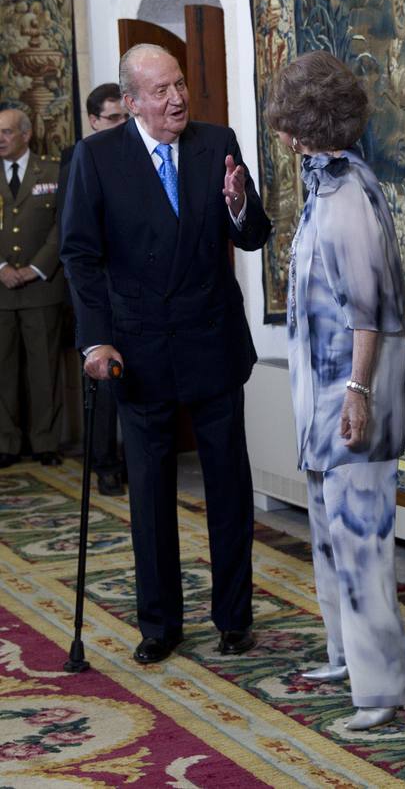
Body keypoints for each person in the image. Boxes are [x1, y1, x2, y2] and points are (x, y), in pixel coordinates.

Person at [60, 44, 272, 665]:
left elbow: (253, 235)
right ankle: (160, 624)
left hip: (211, 341)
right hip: (139, 349)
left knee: (229, 488)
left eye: (179, 83)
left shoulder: (217, 142)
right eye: (161, 91)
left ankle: (234, 617)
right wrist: (95, 339)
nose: (177, 98)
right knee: (150, 495)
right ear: (130, 102)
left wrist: (239, 204)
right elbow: (80, 256)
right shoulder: (97, 158)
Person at [266, 50, 405, 731]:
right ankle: (345, 655)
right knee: (329, 537)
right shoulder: (324, 186)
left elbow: (368, 310)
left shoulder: (349, 193)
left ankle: (380, 689)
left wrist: (356, 391)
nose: (280, 131)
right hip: (322, 398)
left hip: (351, 398)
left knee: (361, 541)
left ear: (307, 121)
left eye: (286, 118)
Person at [59, 83, 130, 496]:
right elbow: (73, 237)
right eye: (113, 117)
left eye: (125, 116)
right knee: (103, 384)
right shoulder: (79, 159)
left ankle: (134, 461)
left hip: (132, 291)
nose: (122, 124)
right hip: (97, 290)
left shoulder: (137, 153)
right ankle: (105, 465)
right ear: (93, 121)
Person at [0, 107, 66, 468]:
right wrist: (2, 268)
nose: (0, 139)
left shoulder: (52, 172)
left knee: (44, 369)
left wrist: (36, 268)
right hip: (1, 288)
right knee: (3, 369)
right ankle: (6, 443)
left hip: (42, 286)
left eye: (7, 132)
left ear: (26, 134)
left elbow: (61, 225)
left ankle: (45, 442)